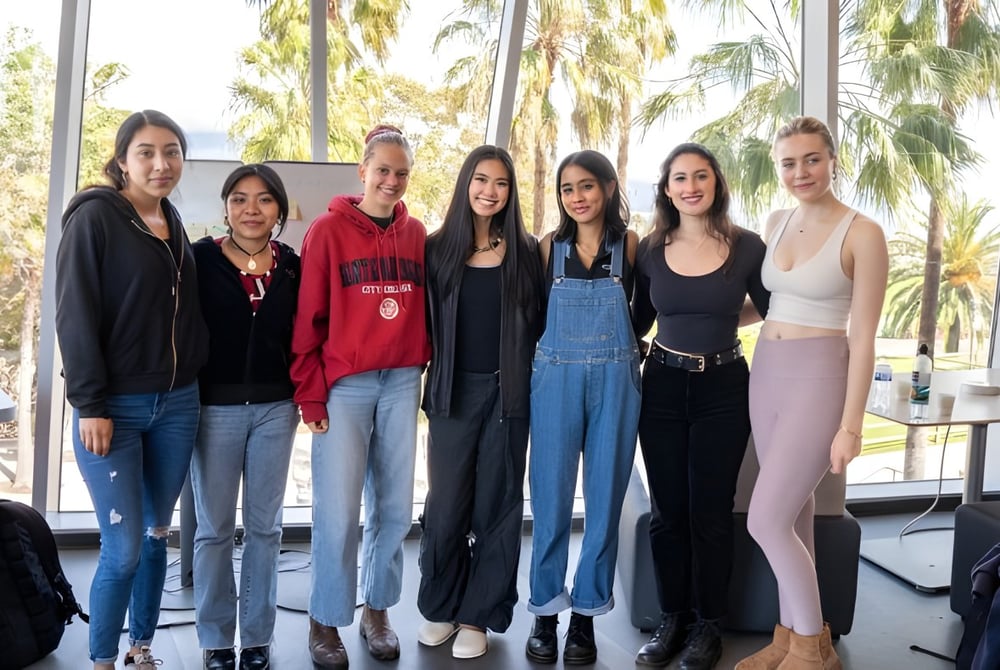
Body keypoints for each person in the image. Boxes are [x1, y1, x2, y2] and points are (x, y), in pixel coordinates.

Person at [54, 110, 208, 670]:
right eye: (146, 152)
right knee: (120, 550)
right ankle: (100, 660)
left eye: (172, 151)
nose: (161, 163)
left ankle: (141, 647)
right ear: (122, 160)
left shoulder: (173, 220)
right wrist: (89, 403)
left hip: (176, 404)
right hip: (112, 408)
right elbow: (74, 317)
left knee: (153, 538)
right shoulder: (94, 218)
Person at [736, 116, 887, 670]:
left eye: (812, 160)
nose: (801, 172)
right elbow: (770, 306)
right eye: (789, 163)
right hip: (767, 371)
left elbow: (864, 339)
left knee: (765, 520)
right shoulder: (777, 221)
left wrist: (852, 425)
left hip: (821, 377)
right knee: (793, 517)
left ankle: (810, 656)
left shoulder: (862, 232)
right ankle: (794, 637)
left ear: (832, 159)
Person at [291, 124, 431, 670]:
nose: (392, 180)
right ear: (363, 170)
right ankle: (325, 620)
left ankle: (378, 610)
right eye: (383, 170)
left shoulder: (416, 234)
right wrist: (311, 395)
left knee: (395, 509)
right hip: (345, 386)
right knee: (338, 510)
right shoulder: (327, 231)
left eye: (401, 173)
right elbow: (308, 318)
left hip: (401, 381)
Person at [631, 143, 770, 669]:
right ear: (666, 188)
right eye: (680, 178)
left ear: (716, 184)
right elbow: (640, 319)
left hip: (725, 388)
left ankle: (708, 627)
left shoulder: (747, 246)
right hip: (663, 386)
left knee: (711, 513)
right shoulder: (648, 249)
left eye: (701, 176)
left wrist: (722, 318)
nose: (690, 186)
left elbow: (772, 309)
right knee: (668, 514)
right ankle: (673, 620)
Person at [417, 145, 545, 659]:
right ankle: (442, 606)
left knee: (498, 503)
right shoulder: (435, 249)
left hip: (509, 391)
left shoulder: (527, 252)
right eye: (481, 180)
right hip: (451, 391)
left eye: (501, 183)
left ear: (511, 193)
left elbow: (540, 326)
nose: (490, 191)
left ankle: (480, 615)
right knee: (446, 504)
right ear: (465, 183)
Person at [525, 150, 641, 665]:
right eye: (568, 189)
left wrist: (625, 350)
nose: (578, 197)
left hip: (616, 377)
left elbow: (649, 309)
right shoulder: (549, 246)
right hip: (556, 375)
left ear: (610, 189)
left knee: (604, 500)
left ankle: (586, 618)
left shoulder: (631, 246)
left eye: (587, 186)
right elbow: (532, 312)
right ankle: (546, 613)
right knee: (548, 497)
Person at [190, 164, 301, 670]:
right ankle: (215, 639)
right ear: (226, 207)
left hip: (278, 409)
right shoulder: (198, 260)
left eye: (262, 200)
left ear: (279, 209)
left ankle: (256, 638)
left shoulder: (293, 265)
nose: (251, 210)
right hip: (215, 409)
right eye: (239, 199)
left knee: (265, 529)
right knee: (213, 530)